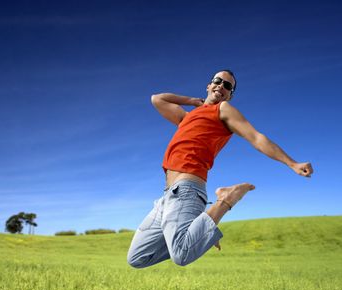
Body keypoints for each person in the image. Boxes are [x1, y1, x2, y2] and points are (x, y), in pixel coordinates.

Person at [127, 70, 313, 268]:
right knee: (138, 258)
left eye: (227, 86)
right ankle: (201, 232)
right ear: (209, 85)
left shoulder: (222, 110)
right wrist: (192, 101)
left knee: (181, 255)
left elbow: (256, 137)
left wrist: (292, 163)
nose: (221, 87)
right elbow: (158, 99)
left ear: (230, 95)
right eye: (217, 81)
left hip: (187, 189)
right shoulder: (186, 118)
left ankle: (226, 199)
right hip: (166, 197)